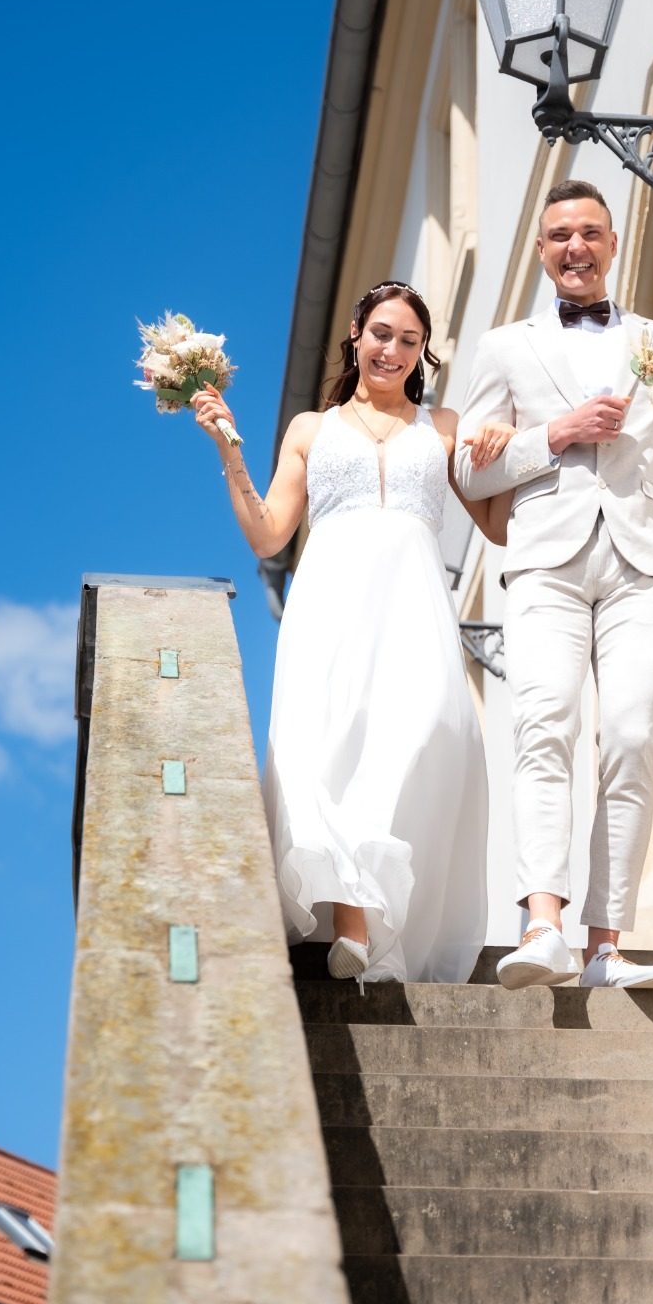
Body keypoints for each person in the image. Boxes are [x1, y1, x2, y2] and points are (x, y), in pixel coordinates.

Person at [455, 179, 653, 991]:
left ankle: (605, 946)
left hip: (642, 564)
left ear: (611, 242)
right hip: (544, 562)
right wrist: (556, 434)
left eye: (590, 232)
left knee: (632, 740)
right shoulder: (503, 348)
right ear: (541, 250)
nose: (575, 246)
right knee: (544, 727)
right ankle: (542, 927)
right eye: (560, 234)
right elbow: (469, 468)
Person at [192, 281, 512, 982]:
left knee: (424, 734)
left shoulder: (444, 426)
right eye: (381, 334)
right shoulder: (311, 429)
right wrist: (229, 450)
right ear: (355, 336)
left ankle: (381, 915)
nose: (392, 350)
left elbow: (497, 524)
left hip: (415, 606)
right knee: (327, 747)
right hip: (330, 605)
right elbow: (268, 535)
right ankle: (356, 925)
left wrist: (511, 447)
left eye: (408, 341)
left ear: (422, 353)